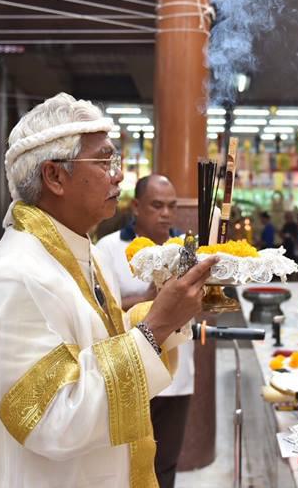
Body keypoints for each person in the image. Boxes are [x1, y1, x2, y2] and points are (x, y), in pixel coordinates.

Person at [0, 93, 218, 488]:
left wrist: (165, 312)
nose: (118, 175)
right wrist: (155, 328)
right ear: (55, 176)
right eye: (105, 161)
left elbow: (95, 345)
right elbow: (55, 418)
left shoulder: (76, 249)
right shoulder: (14, 277)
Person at [94, 174, 193, 488]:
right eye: (157, 205)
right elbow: (102, 309)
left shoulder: (188, 249)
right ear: (137, 206)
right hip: (129, 370)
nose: (166, 213)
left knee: (166, 465)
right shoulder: (108, 248)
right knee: (126, 464)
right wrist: (154, 298)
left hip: (178, 377)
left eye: (171, 206)